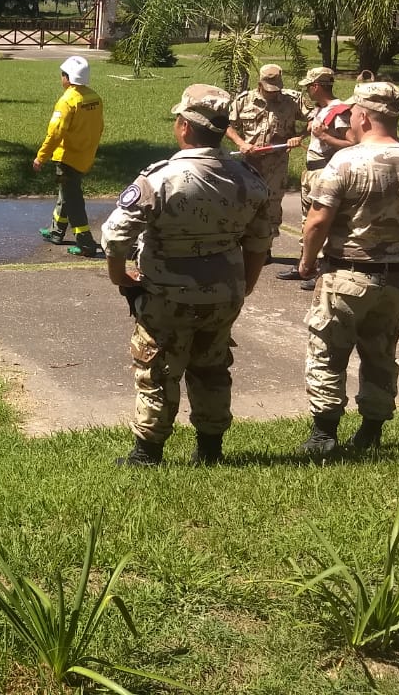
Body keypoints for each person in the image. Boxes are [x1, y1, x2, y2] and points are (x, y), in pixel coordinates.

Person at [101, 84, 271, 467]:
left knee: (157, 369)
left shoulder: (162, 178)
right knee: (212, 367)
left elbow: (114, 236)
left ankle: (147, 454)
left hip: (168, 294)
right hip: (224, 294)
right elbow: (260, 240)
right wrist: (245, 285)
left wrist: (118, 276)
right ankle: (210, 450)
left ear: (184, 126)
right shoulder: (248, 178)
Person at [296, 81, 399, 455]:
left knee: (328, 352)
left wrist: (308, 261)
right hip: (398, 275)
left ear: (363, 116)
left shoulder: (346, 161)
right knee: (381, 353)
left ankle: (324, 433)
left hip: (348, 273)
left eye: (352, 114)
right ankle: (371, 432)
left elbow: (317, 221)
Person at [276, 67, 355, 290]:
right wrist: (299, 137)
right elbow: (310, 132)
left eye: (308, 87)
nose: (307, 91)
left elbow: (352, 144)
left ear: (316, 86)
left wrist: (325, 136)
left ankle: (320, 270)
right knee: (306, 222)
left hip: (325, 171)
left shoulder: (339, 112)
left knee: (321, 222)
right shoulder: (320, 110)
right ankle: (305, 265)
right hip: (311, 171)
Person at [34, 55, 105, 257]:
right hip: (84, 156)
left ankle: (86, 243)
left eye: (62, 75)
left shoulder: (67, 101)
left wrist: (41, 157)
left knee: (73, 200)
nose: (61, 78)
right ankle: (56, 231)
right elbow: (99, 127)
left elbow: (55, 133)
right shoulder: (94, 97)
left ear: (68, 77)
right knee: (66, 193)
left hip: (67, 159)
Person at [226, 63, 305, 241]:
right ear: (259, 84)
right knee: (246, 202)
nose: (273, 93)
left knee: (272, 205)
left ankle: (266, 246)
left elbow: (317, 118)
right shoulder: (244, 101)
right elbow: (227, 125)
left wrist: (299, 137)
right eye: (269, 89)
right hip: (250, 163)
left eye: (276, 89)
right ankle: (245, 242)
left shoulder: (292, 100)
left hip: (277, 164)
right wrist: (241, 143)